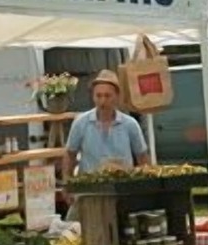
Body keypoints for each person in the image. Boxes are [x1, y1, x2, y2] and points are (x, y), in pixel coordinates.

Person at [61, 69, 150, 217]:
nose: (102, 101)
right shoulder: (81, 122)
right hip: (89, 191)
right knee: (73, 229)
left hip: (122, 191)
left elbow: (142, 157)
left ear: (117, 97)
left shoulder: (130, 124)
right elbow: (70, 155)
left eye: (107, 96)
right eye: (99, 96)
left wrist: (145, 186)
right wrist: (67, 183)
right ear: (93, 96)